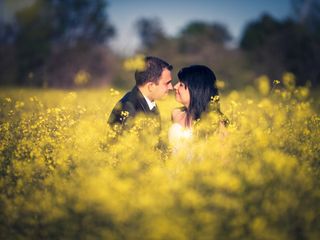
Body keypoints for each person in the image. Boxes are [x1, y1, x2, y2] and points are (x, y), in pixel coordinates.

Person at [108, 56, 173, 133]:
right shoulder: (129, 107)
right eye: (167, 83)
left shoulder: (148, 103)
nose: (171, 87)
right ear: (151, 86)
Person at [169, 65, 229, 145]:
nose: (175, 87)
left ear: (196, 89)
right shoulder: (176, 114)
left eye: (181, 85)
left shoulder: (216, 124)